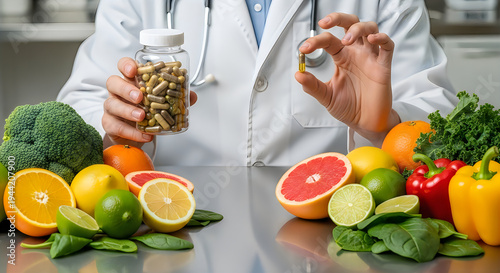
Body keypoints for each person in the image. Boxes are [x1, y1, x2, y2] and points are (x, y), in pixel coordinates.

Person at [57, 0, 457, 167]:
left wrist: (382, 122)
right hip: (170, 227)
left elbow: (444, 124)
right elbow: (82, 102)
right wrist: (115, 126)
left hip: (331, 239)